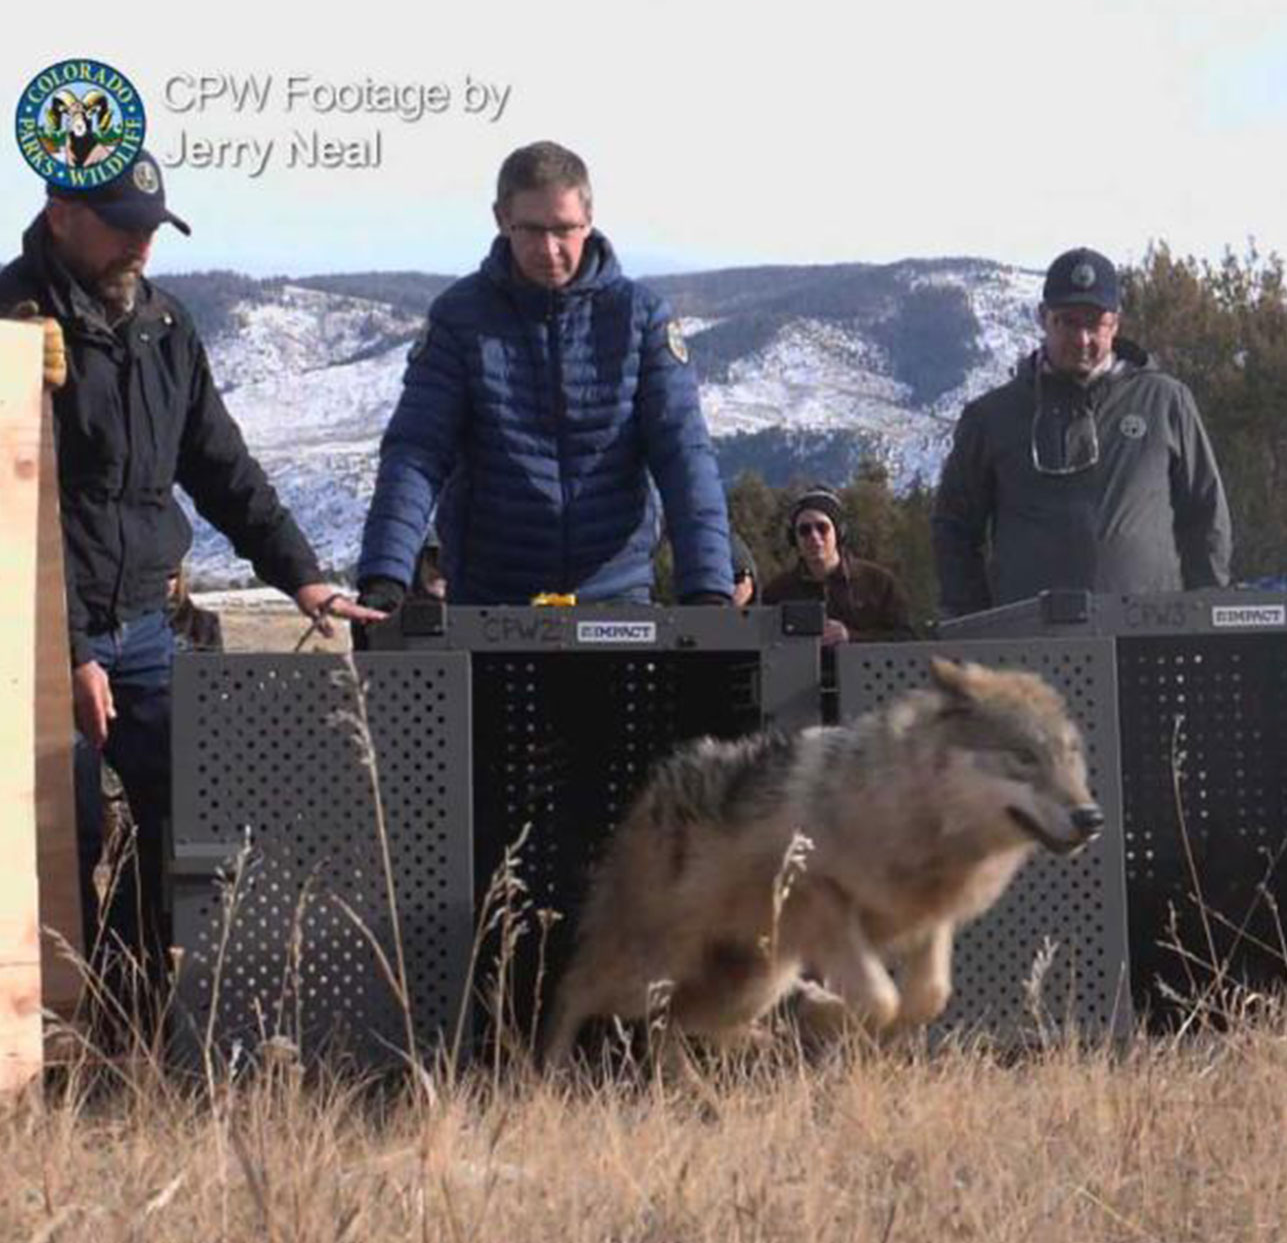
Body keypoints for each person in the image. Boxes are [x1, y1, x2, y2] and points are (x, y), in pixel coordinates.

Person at [0, 151, 379, 986]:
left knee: (187, 816)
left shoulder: (166, 327)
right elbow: (24, 514)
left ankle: (135, 1011)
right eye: (122, 226)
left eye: (152, 229)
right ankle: (59, 1031)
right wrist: (68, 654)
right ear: (61, 214)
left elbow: (220, 466)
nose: (141, 246)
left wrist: (303, 576)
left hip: (147, 624)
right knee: (57, 837)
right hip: (32, 632)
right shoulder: (9, 320)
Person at [355, 141, 732, 612]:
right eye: (531, 230)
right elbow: (417, 450)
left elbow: (683, 453)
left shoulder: (642, 317)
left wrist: (708, 586)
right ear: (501, 219)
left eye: (564, 229)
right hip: (490, 598)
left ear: (589, 219)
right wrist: (384, 576)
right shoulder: (459, 318)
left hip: (616, 597)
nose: (549, 249)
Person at [932, 247, 1231, 617]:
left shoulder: (1166, 401)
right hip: (1029, 642)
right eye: (1068, 322)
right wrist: (973, 624)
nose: (1082, 338)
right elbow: (955, 529)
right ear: (1043, 318)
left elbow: (1205, 514)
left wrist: (1209, 613)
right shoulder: (991, 416)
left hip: (1149, 634)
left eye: (1095, 324)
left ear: (1115, 324)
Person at [760, 488, 914, 642]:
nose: (814, 536)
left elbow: (906, 638)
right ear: (794, 539)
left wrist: (850, 636)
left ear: (839, 532)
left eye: (822, 528)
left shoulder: (879, 583)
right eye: (804, 530)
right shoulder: (777, 592)